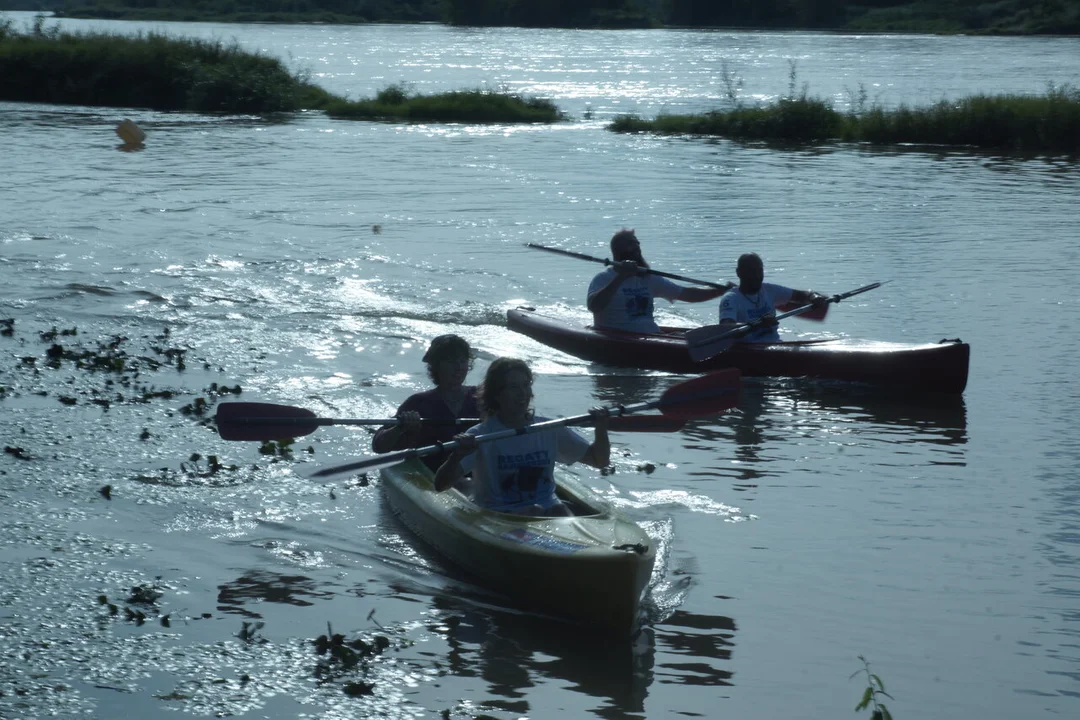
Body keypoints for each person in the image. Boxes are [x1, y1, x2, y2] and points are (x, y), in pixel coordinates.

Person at [433, 358, 610, 517]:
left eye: (526, 385)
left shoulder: (548, 429)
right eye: (513, 387)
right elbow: (440, 485)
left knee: (557, 509)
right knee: (535, 510)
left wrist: (601, 428)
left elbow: (598, 460)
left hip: (549, 509)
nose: (522, 393)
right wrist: (456, 456)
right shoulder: (481, 435)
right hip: (499, 513)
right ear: (496, 394)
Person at [371, 334, 479, 472]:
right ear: (436, 366)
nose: (459, 367)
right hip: (431, 475)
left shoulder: (482, 397)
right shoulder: (418, 402)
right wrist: (400, 428)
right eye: (451, 361)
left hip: (475, 474)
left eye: (463, 361)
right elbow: (378, 446)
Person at [587, 228, 729, 334]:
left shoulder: (648, 278)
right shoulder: (603, 279)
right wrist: (621, 277)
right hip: (618, 338)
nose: (637, 247)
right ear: (617, 250)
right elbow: (594, 306)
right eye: (631, 244)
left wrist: (721, 291)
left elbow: (688, 295)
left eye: (638, 243)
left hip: (651, 336)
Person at [717, 252, 827, 343]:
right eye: (751, 271)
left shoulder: (770, 290)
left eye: (759, 271)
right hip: (748, 349)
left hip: (774, 345)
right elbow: (726, 329)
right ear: (739, 273)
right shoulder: (730, 299)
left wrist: (813, 296)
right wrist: (757, 324)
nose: (756, 276)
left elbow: (801, 295)